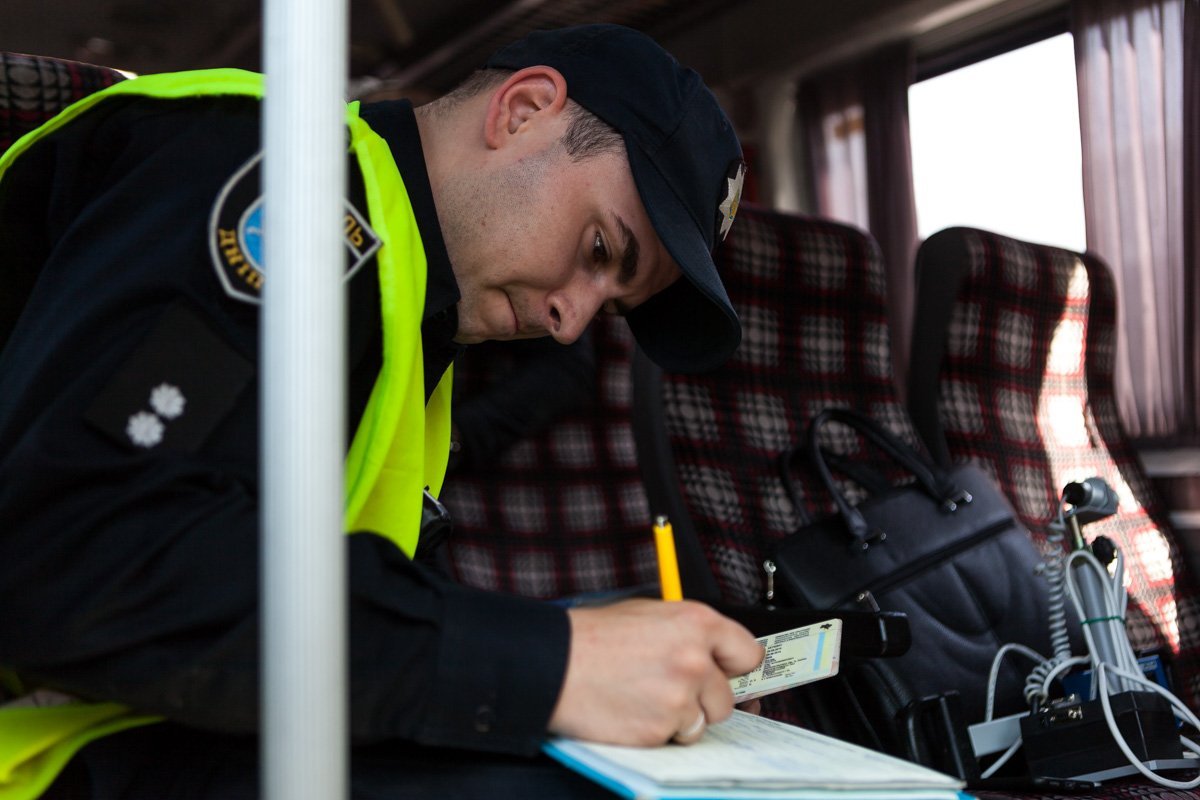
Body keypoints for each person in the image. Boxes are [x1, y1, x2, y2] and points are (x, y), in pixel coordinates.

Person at [0, 23, 760, 800]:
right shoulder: (279, 179)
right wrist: (551, 662)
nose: (572, 320)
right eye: (599, 250)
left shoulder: (406, 319)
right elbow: (76, 547)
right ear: (523, 109)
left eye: (613, 304)